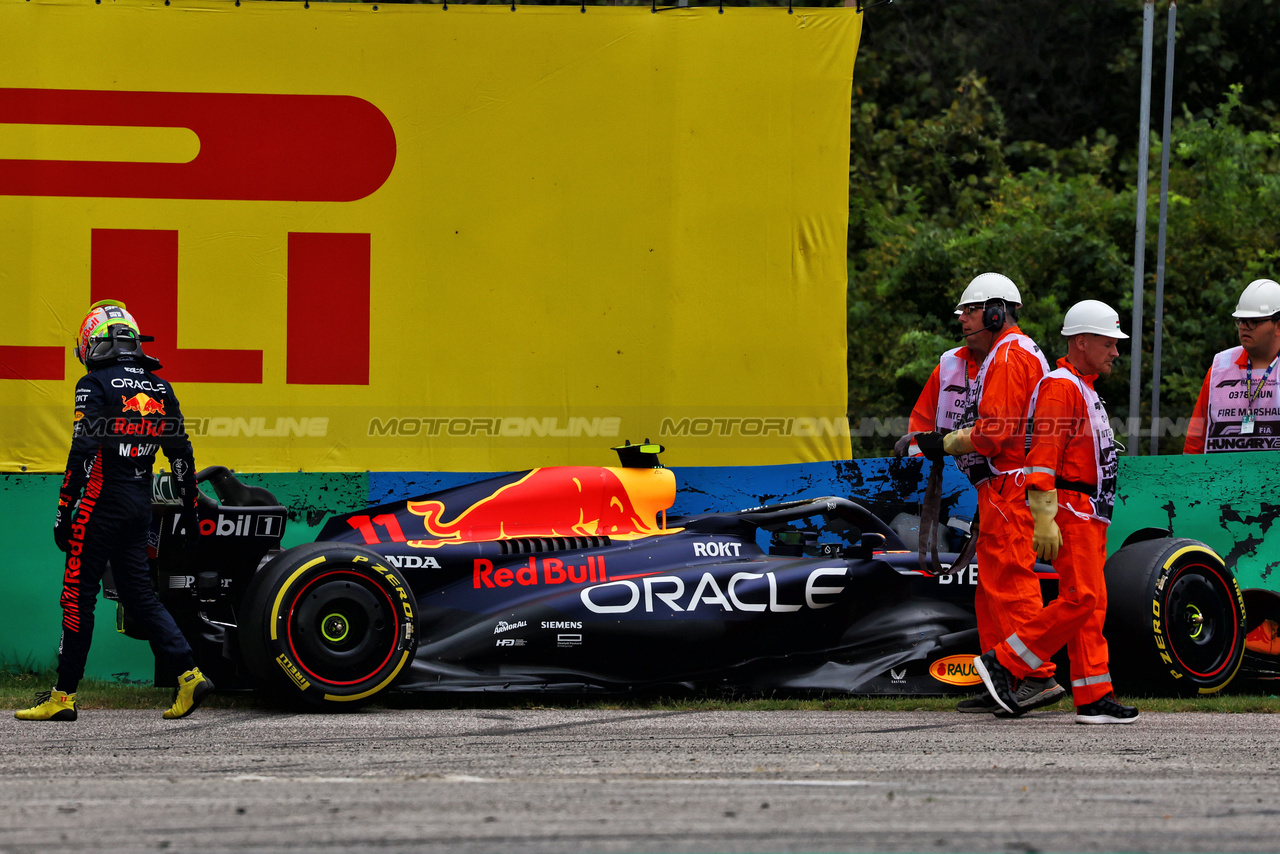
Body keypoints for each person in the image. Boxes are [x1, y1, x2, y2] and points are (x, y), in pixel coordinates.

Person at [16, 300, 212, 722]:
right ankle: (190, 675)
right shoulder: (161, 388)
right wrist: (191, 511)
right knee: (141, 597)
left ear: (94, 343)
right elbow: (181, 456)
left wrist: (63, 510)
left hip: (99, 508)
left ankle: (62, 697)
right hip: (139, 507)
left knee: (76, 598)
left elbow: (84, 449)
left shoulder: (94, 383)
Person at [974, 300, 1139, 725]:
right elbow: (1043, 459)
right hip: (1072, 509)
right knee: (1081, 599)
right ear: (1081, 342)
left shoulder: (1081, 386)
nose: (1116, 352)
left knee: (1091, 606)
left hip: (1089, 511)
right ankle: (1007, 661)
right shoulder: (1061, 386)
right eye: (1109, 343)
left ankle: (1094, 696)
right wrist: (1044, 517)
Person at [935, 273, 1062, 715]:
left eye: (969, 313)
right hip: (1003, 486)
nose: (963, 322)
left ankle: (1035, 676)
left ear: (994, 311)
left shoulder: (1008, 357)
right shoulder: (1010, 353)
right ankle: (1002, 677)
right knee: (991, 590)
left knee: (1011, 584)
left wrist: (948, 441)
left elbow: (994, 433)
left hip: (1012, 485)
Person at [1184, 278, 1280, 454]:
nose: (1244, 327)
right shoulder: (1220, 369)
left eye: (1253, 321)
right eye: (1241, 320)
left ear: (1278, 326)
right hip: (1221, 480)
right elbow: (1196, 436)